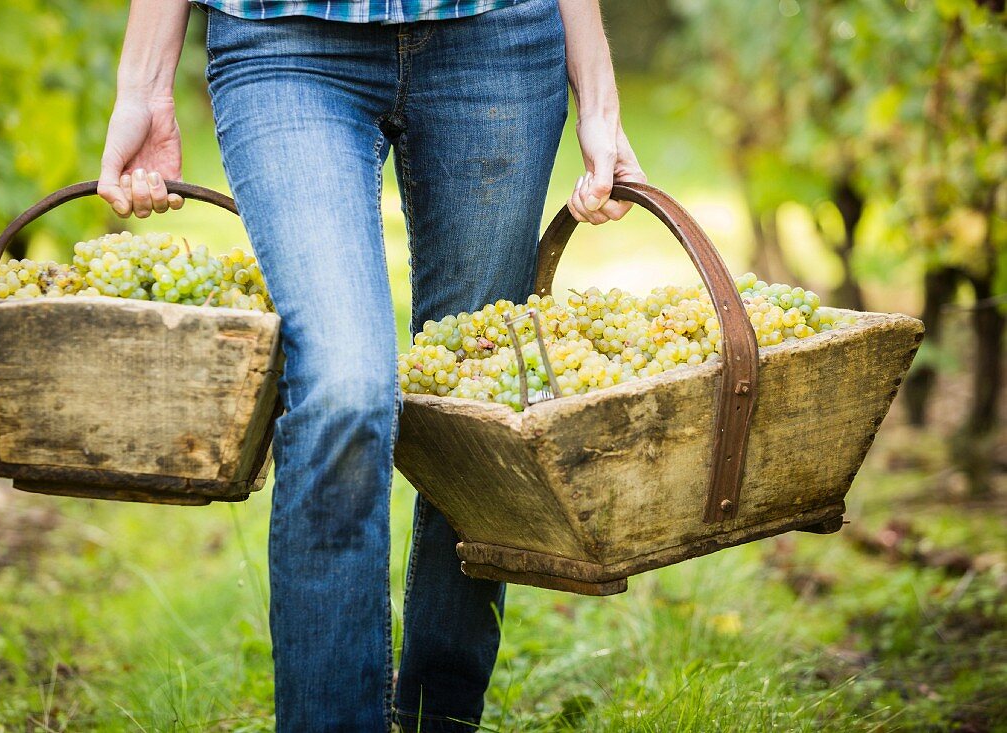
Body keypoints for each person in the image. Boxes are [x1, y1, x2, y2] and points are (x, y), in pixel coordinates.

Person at [97, 0, 644, 730]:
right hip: (282, 40)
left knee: (476, 412)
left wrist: (598, 94)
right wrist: (144, 85)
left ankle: (441, 715)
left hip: (497, 38)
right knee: (345, 386)